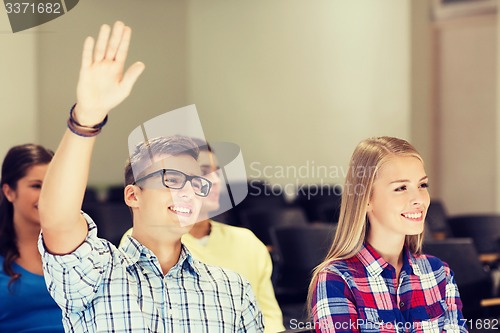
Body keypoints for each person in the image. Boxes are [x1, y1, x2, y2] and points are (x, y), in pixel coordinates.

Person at [37, 21, 264, 332]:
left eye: (196, 183)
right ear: (134, 195)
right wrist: (86, 118)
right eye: (171, 178)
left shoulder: (232, 289)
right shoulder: (96, 274)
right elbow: (58, 220)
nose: (187, 192)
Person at [121, 139, 285, 332]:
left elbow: (270, 317)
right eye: (205, 172)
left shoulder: (246, 244)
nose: (213, 181)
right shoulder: (144, 243)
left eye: (216, 173)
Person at [307, 137, 467, 333]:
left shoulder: (440, 273)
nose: (419, 199)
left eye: (422, 185)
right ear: (365, 199)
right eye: (401, 188)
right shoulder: (335, 280)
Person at [0, 144, 64, 333]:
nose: (47, 195)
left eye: (52, 185)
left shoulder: (81, 251)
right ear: (9, 192)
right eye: (36, 186)